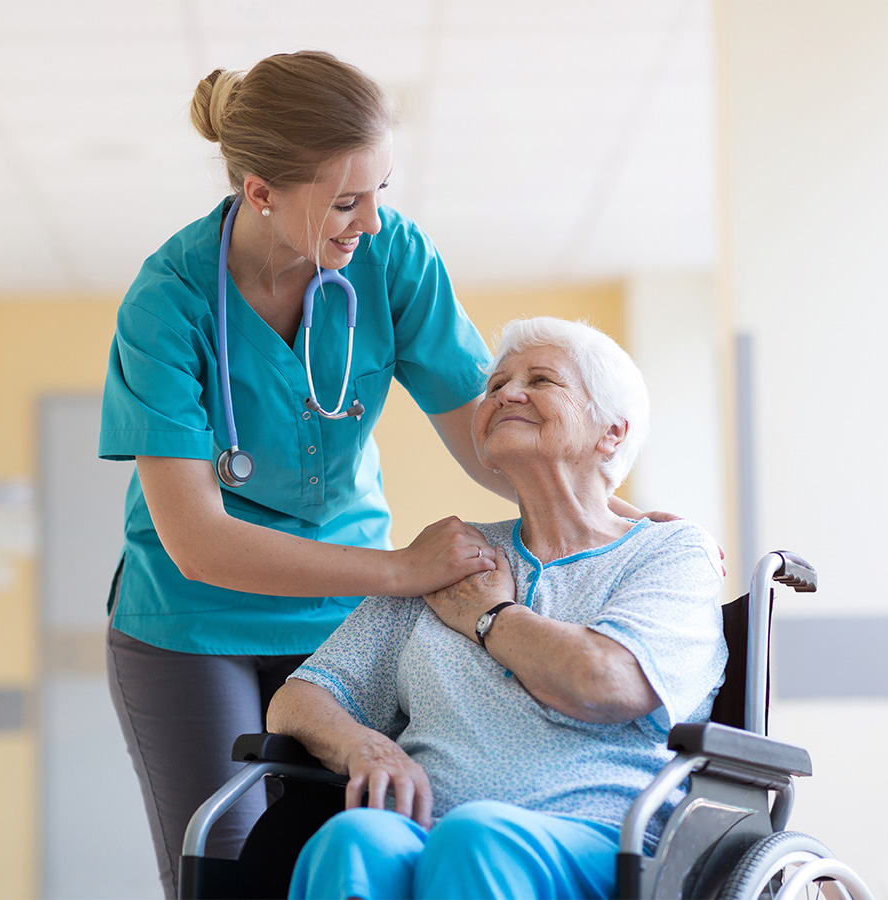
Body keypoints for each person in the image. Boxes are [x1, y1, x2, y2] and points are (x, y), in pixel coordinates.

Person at [99, 52, 669, 898]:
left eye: (380, 194)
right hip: (193, 622)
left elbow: (493, 437)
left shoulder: (391, 256)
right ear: (260, 192)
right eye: (343, 202)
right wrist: (402, 571)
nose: (368, 223)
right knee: (226, 870)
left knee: (360, 848)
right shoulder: (170, 300)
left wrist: (612, 520)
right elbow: (198, 540)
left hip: (343, 620)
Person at [267, 316, 728, 900]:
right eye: (496, 384)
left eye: (541, 380)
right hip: (427, 833)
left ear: (611, 433)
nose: (506, 393)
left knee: (475, 836)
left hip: (604, 841)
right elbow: (301, 697)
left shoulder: (667, 552)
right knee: (355, 839)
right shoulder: (450, 557)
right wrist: (364, 745)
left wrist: (493, 619)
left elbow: (608, 681)